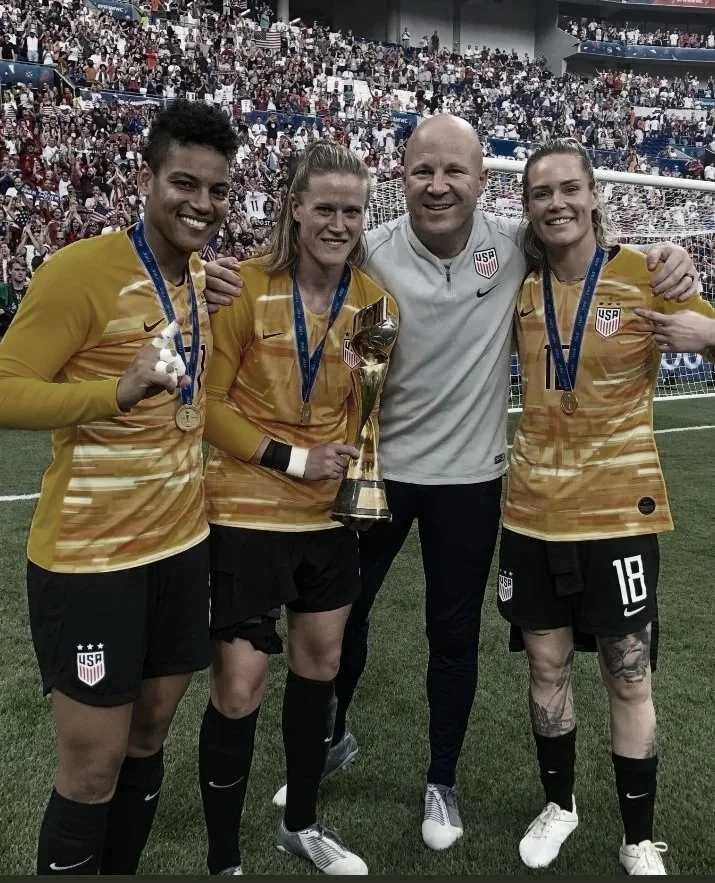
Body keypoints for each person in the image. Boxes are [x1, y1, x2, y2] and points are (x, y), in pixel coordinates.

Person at [202, 115, 697, 851]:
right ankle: (331, 736)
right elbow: (291, 263)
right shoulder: (367, 246)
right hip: (375, 473)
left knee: (451, 633)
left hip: (469, 477)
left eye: (453, 171)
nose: (437, 185)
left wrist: (671, 256)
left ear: (480, 181)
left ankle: (442, 778)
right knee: (344, 622)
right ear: (401, 175)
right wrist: (215, 275)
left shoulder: (514, 243)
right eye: (421, 171)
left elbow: (578, 236)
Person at [0, 100, 237, 875]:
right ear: (144, 179)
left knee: (147, 738)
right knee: (92, 767)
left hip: (181, 547)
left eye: (217, 189)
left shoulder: (204, 279)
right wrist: (112, 392)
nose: (201, 203)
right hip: (90, 563)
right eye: (183, 183)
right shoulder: (80, 270)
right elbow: (5, 387)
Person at [497, 139, 715, 875]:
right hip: (529, 514)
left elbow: (704, 328)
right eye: (540, 193)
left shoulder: (645, 274)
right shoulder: (517, 285)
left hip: (619, 515)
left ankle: (636, 836)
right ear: (526, 207)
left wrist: (706, 332)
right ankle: (559, 805)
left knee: (627, 675)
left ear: (593, 195)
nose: (555, 203)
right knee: (546, 670)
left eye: (567, 189)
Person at [198, 142, 397, 876]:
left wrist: (350, 454)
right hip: (245, 514)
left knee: (322, 664)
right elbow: (208, 406)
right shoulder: (244, 289)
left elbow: (367, 410)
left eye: (351, 210)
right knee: (239, 686)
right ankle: (224, 859)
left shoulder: (375, 306)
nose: (337, 222)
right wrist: (290, 457)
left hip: (327, 520)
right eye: (325, 207)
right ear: (294, 206)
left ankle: (302, 823)